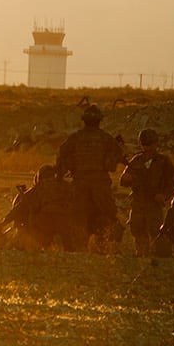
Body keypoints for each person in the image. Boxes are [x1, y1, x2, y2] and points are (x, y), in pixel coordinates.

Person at [55, 105, 126, 249]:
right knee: (109, 215)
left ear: (84, 120)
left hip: (79, 183)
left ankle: (79, 249)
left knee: (78, 217)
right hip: (101, 185)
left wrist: (60, 175)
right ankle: (105, 246)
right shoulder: (107, 139)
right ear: (99, 121)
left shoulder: (74, 138)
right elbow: (116, 160)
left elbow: (61, 155)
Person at [119, 128, 174, 256]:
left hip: (154, 204)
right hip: (138, 203)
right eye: (145, 144)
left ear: (156, 144)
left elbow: (173, 183)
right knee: (138, 234)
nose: (148, 147)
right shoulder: (136, 161)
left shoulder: (163, 161)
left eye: (150, 144)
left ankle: (163, 263)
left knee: (158, 234)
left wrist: (163, 195)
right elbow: (123, 181)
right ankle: (141, 259)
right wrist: (128, 178)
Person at [0, 164, 84, 251]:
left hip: (45, 223)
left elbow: (19, 208)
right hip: (67, 223)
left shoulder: (38, 188)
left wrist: (4, 222)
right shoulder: (67, 186)